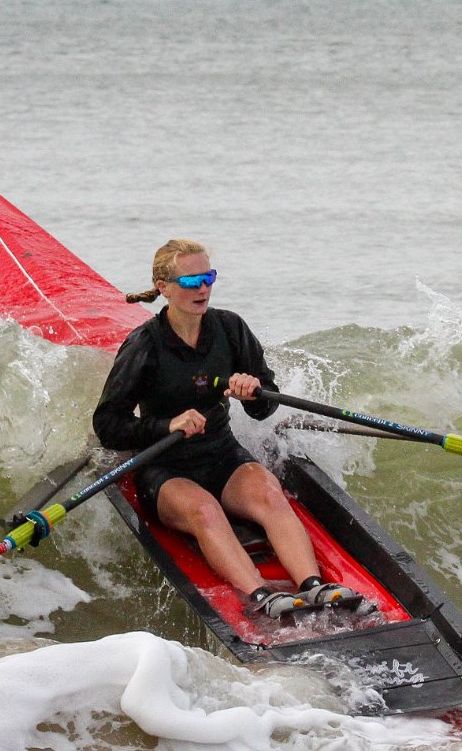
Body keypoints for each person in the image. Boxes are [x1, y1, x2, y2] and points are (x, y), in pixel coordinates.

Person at [92, 239, 364, 620]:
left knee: (269, 491)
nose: (202, 288)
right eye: (190, 282)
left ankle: (315, 586)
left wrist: (252, 394)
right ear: (164, 286)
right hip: (166, 466)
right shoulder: (144, 346)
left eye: (208, 277)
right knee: (205, 510)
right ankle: (261, 596)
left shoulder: (230, 328)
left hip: (222, 455)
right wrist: (167, 424)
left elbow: (265, 408)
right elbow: (107, 425)